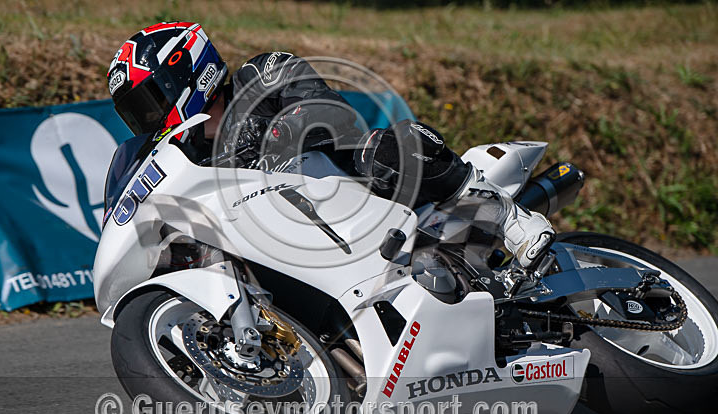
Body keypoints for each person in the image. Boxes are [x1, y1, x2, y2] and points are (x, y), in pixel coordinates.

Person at [106, 21, 555, 270]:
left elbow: (330, 113)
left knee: (394, 144)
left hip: (369, 199)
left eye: (152, 100)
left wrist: (275, 136)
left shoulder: (263, 74)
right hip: (297, 245)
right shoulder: (186, 159)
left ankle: (511, 221)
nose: (149, 118)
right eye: (138, 112)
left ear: (189, 72)